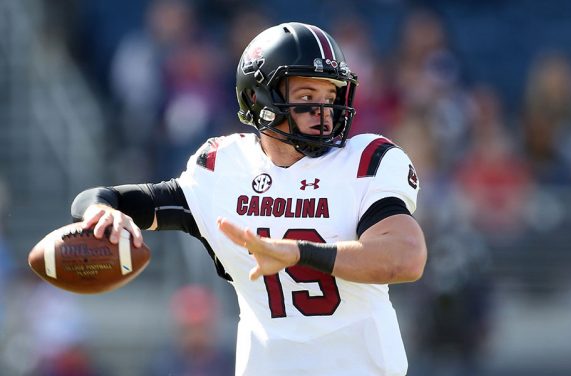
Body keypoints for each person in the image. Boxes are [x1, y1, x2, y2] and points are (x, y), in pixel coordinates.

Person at [71, 22, 428, 376]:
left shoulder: (366, 159)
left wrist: (300, 252)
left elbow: (406, 257)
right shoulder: (224, 168)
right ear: (259, 98)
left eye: (330, 97)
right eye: (306, 97)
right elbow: (103, 198)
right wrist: (101, 210)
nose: (324, 112)